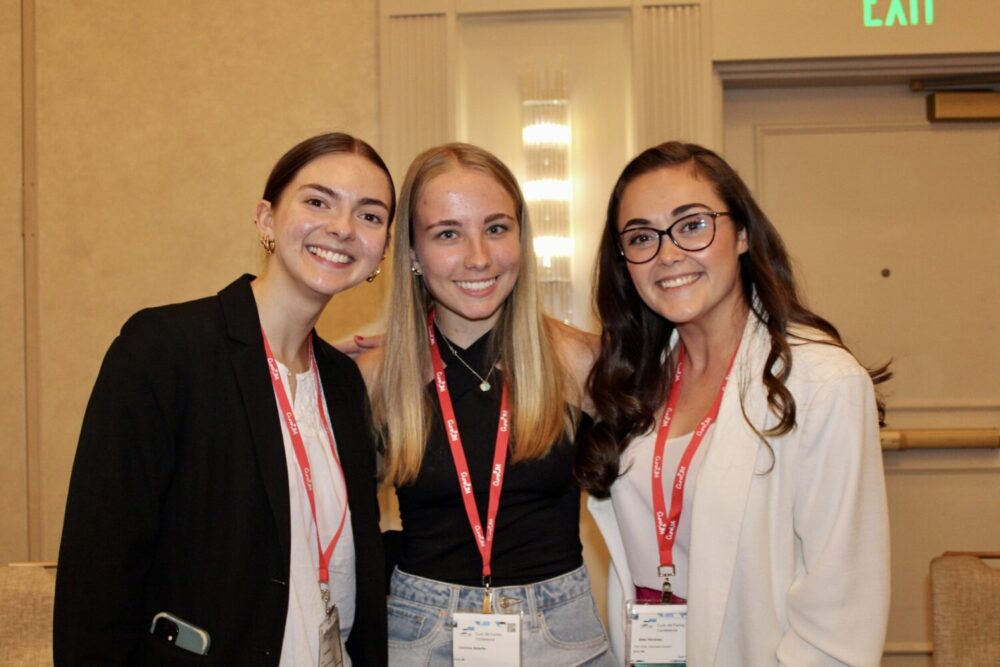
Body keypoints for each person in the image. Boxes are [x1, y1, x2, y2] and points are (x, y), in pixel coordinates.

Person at [54, 132, 394, 666]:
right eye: (317, 201)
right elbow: (99, 573)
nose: (343, 228)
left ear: (383, 250)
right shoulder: (167, 350)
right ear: (266, 219)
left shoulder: (343, 383)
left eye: (370, 216)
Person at [577, 141, 891, 666]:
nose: (668, 253)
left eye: (692, 224)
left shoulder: (823, 382)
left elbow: (841, 615)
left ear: (742, 234)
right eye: (641, 237)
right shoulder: (637, 380)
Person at [357, 143, 614, 665]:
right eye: (448, 233)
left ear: (522, 238)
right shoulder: (375, 380)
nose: (478, 256)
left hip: (561, 636)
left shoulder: (583, 362)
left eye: (496, 228)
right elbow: (334, 529)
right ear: (411, 252)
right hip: (419, 635)